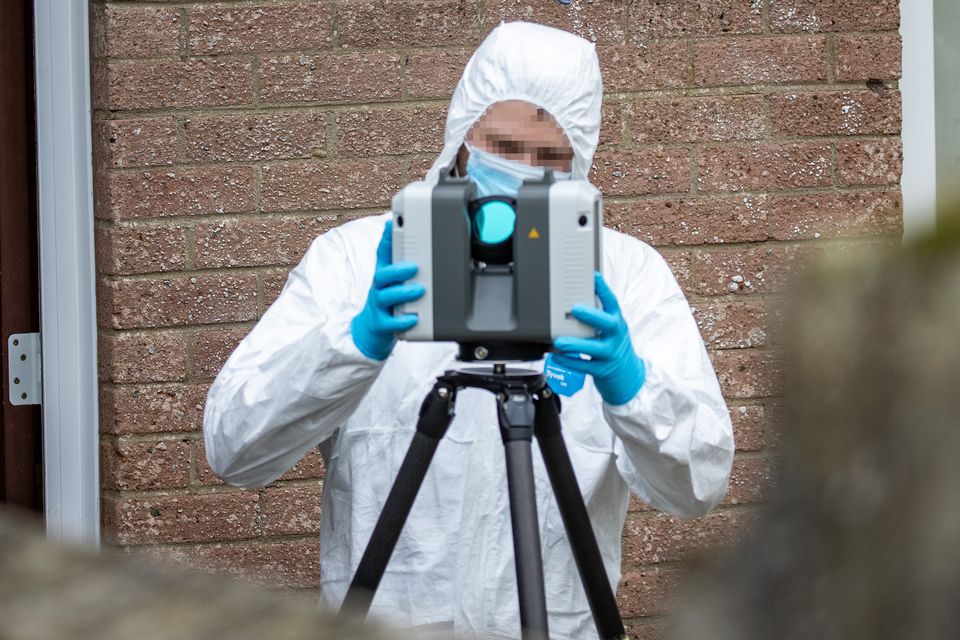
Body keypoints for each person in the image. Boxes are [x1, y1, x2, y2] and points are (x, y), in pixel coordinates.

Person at [204, 21, 734, 640]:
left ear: (579, 165)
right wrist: (353, 343)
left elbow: (699, 486)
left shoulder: (625, 278)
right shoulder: (361, 261)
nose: (521, 172)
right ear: (461, 140)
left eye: (550, 158)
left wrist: (630, 385)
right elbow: (233, 448)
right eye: (503, 145)